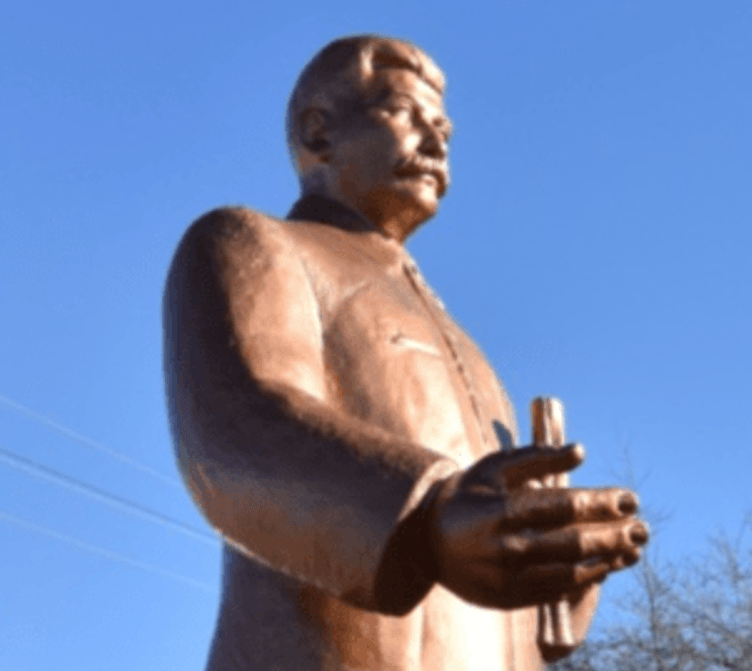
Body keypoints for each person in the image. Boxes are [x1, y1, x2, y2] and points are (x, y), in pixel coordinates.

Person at [163, 35, 648, 671]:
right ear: (319, 133)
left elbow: (501, 591)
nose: (436, 141)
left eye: (442, 126)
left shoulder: (473, 356)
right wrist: (428, 517)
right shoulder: (256, 244)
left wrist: (552, 563)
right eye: (404, 114)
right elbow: (242, 428)